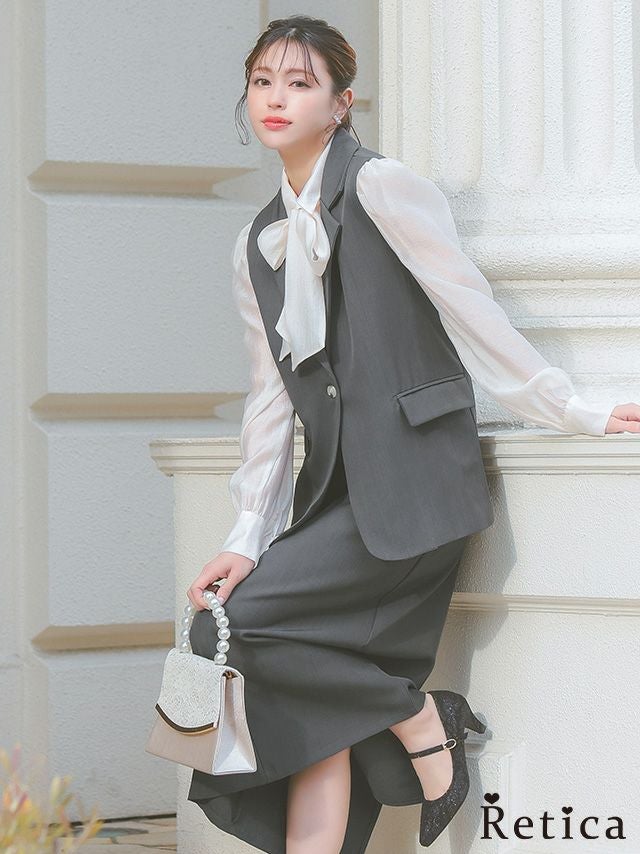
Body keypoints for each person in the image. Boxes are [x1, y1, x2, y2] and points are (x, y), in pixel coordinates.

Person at [185, 15, 640, 854]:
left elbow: (469, 307)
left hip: (416, 485)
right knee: (257, 651)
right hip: (334, 497)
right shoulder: (255, 243)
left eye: (300, 83)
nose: (276, 98)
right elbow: (271, 399)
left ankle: (417, 716)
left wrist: (570, 407)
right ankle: (395, 748)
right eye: (262, 82)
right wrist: (247, 534)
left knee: (234, 628)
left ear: (341, 103)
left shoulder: (382, 186)